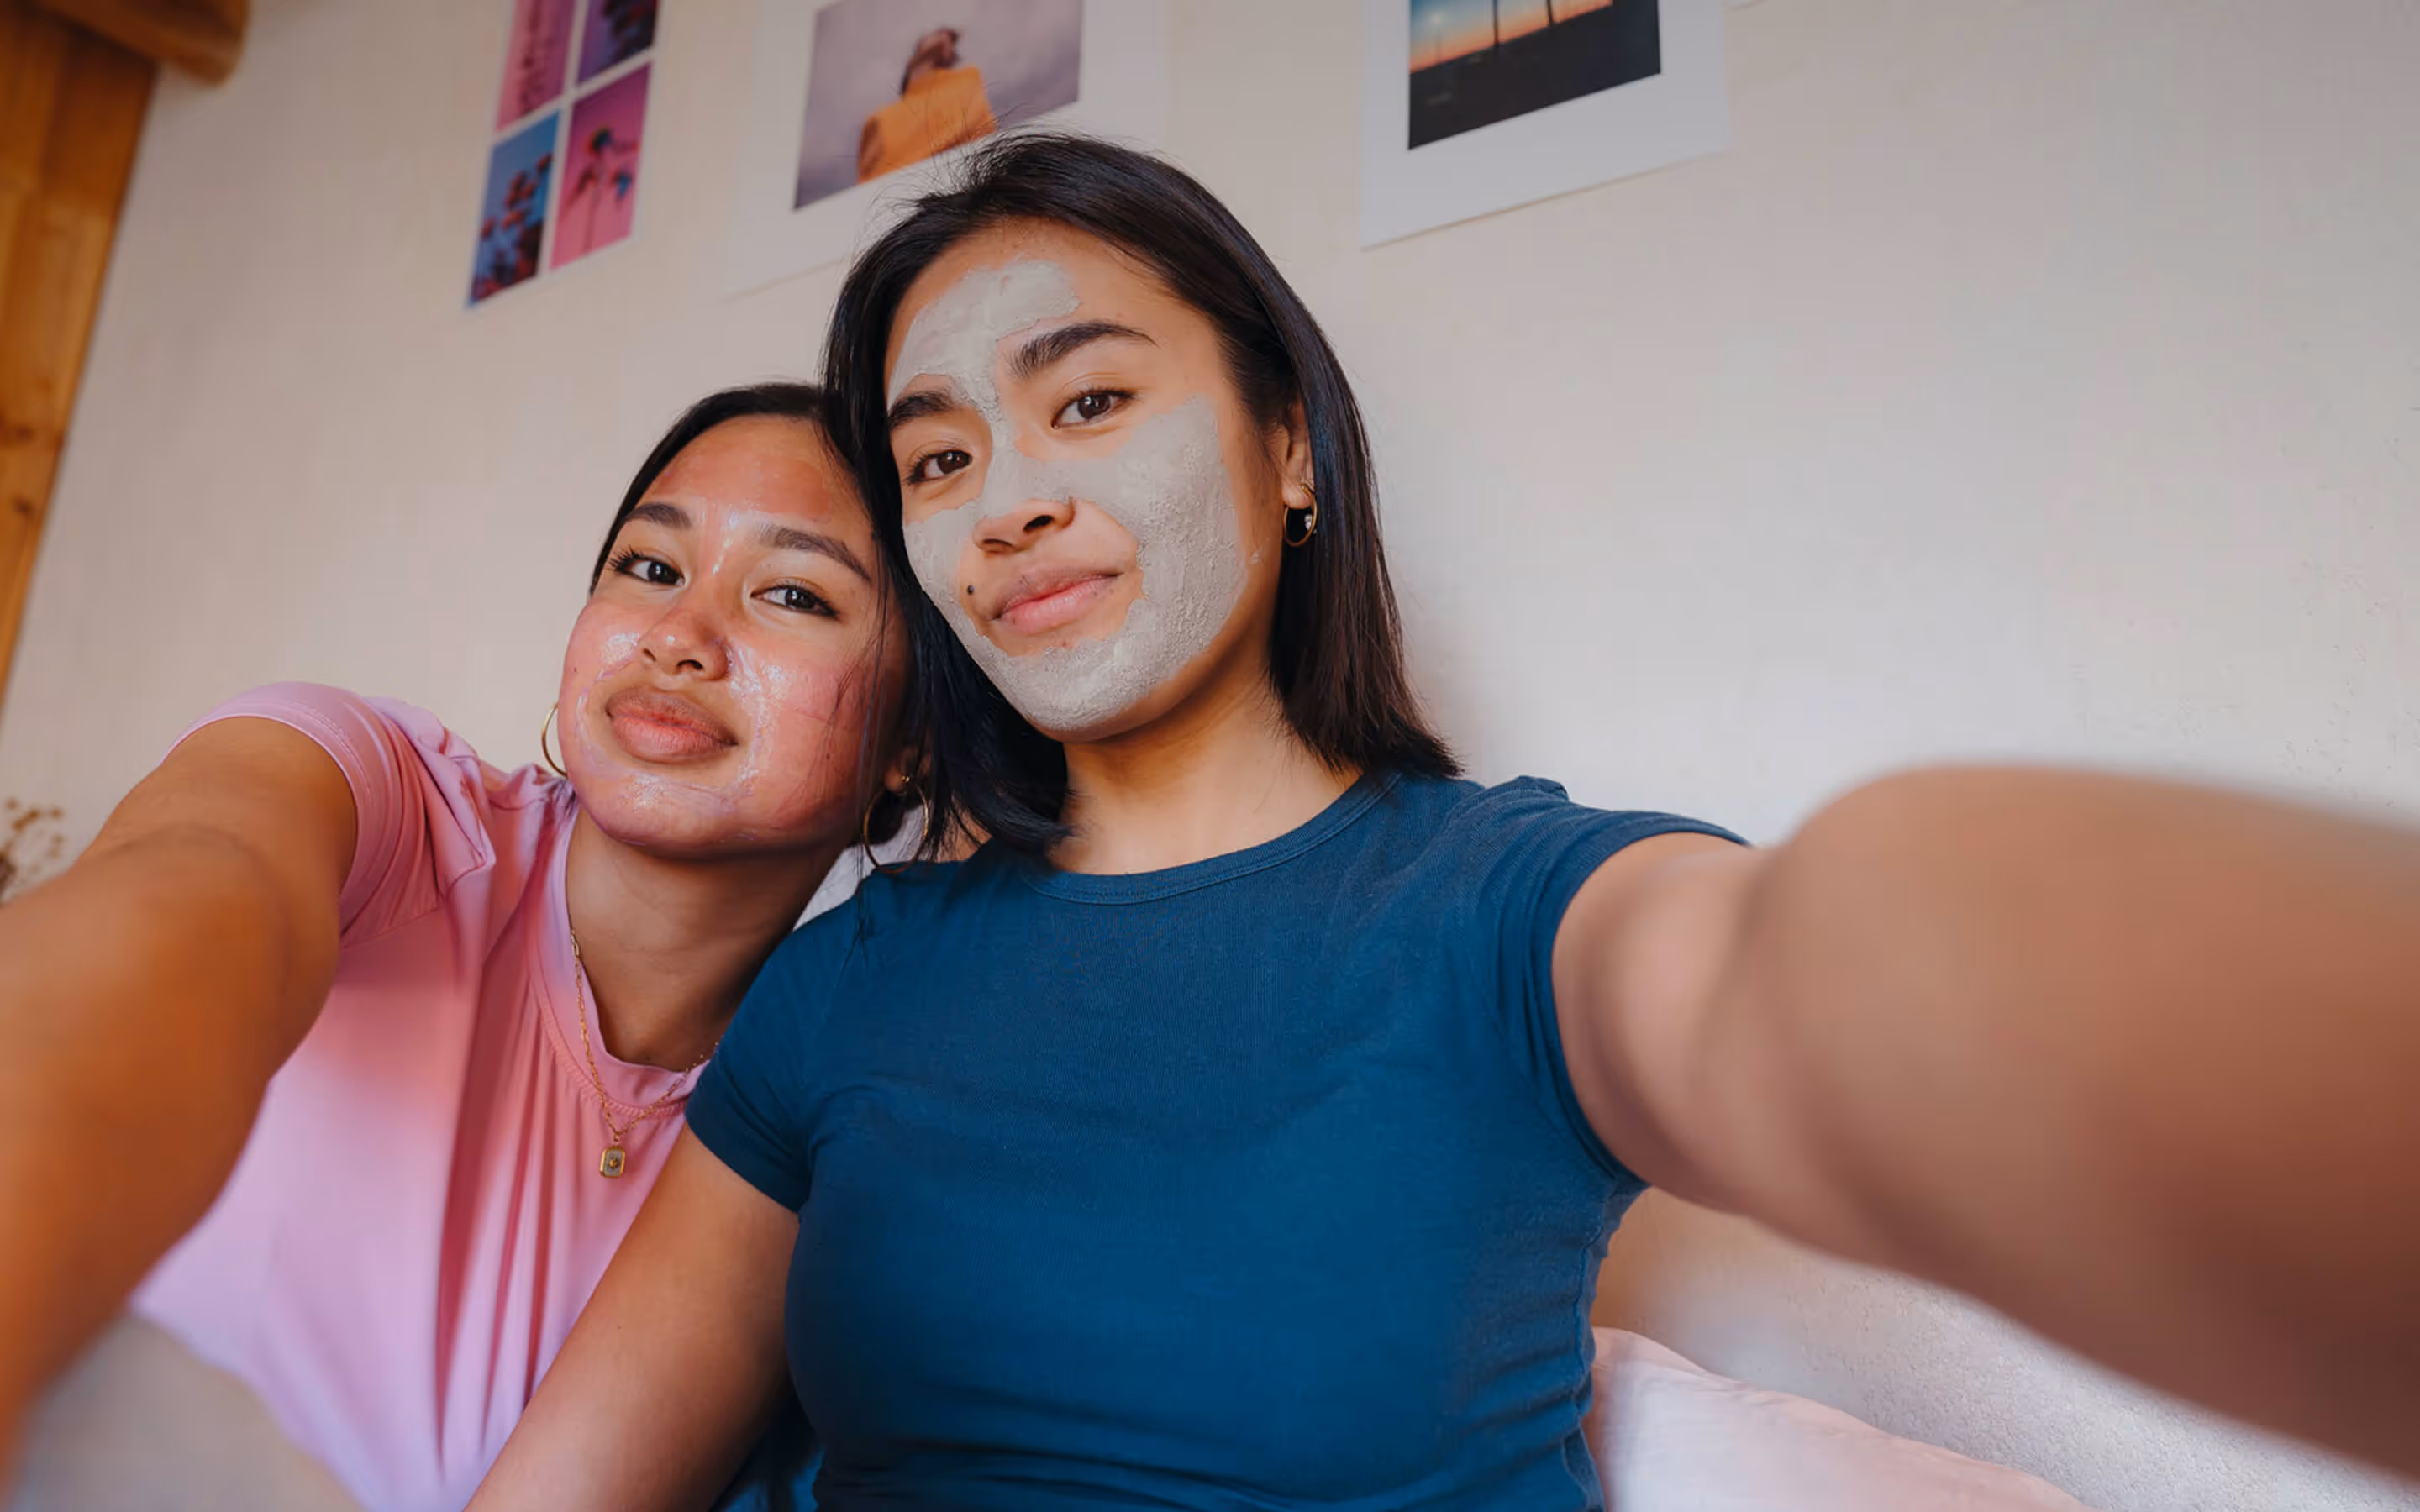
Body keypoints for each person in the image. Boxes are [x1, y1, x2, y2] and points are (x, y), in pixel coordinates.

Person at [474, 137, 2420, 1509]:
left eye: (1087, 402)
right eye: (938, 457)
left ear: (1288, 445)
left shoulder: (1497, 910)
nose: (1002, 502)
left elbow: (1820, 978)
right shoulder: (846, 988)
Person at [0, 383, 913, 1511]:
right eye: (649, 568)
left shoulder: (824, 1105)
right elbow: (151, 929)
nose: (679, 637)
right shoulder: (371, 794)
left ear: (913, 744)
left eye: (792, 593)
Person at [857, 27, 997, 186]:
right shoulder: (879, 119)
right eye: (938, 33)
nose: (945, 36)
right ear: (918, 48)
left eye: (950, 39)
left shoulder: (967, 82)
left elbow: (983, 144)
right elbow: (869, 188)